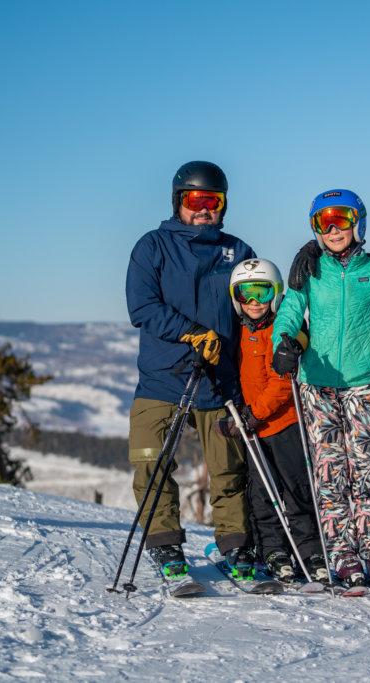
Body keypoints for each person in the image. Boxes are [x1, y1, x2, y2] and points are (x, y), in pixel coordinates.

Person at [125, 160, 257, 580]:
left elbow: (255, 308)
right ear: (178, 202)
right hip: (163, 377)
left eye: (212, 201)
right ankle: (165, 545)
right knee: (151, 461)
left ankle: (234, 546)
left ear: (223, 205)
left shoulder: (238, 251)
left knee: (228, 468)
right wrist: (192, 332)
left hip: (219, 381)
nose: (203, 210)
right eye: (194, 200)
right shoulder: (153, 247)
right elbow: (143, 307)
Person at [270, 189, 370, 591]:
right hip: (317, 385)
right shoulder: (310, 269)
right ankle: (341, 552)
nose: (333, 228)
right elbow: (289, 311)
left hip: (362, 384)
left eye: (341, 219)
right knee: (330, 473)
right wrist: (283, 343)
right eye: (322, 222)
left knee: (365, 471)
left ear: (357, 222)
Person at [217, 258, 330, 584]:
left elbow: (282, 382)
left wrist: (253, 416)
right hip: (253, 429)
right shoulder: (237, 331)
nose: (254, 302)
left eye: (262, 292)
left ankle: (310, 551)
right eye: (246, 294)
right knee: (261, 494)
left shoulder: (282, 328)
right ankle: (274, 551)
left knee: (296, 489)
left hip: (283, 423)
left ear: (276, 294)